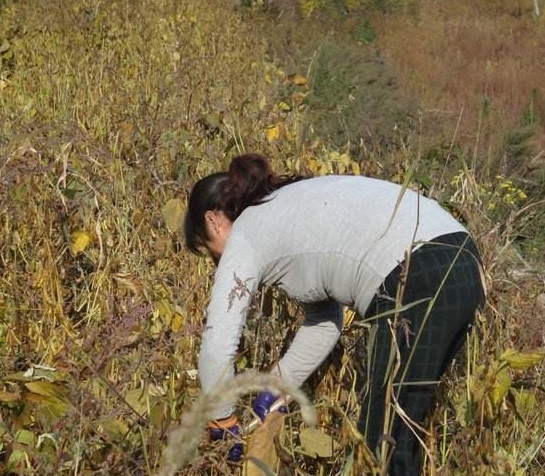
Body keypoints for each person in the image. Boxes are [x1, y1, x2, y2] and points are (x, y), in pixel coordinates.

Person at [183, 153, 486, 475]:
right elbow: (324, 321)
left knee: (379, 445)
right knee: (400, 431)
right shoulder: (282, 212)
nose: (215, 257)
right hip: (462, 261)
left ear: (213, 219)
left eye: (206, 245)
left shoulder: (244, 234)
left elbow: (217, 344)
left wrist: (222, 420)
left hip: (417, 274)